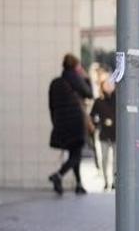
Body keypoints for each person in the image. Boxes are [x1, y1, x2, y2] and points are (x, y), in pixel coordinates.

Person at [47, 54, 93, 195]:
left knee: (74, 152)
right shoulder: (75, 78)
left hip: (61, 124)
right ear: (75, 66)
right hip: (75, 122)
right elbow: (89, 93)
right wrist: (86, 78)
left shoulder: (55, 83)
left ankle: (79, 184)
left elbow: (51, 106)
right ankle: (59, 175)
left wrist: (55, 123)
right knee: (76, 154)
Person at [90, 69, 117, 190]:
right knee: (105, 159)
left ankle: (116, 181)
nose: (109, 86)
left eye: (111, 84)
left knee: (117, 160)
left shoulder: (118, 99)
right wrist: (98, 123)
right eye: (106, 84)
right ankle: (107, 182)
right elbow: (92, 115)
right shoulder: (98, 101)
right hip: (104, 134)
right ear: (102, 86)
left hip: (116, 134)